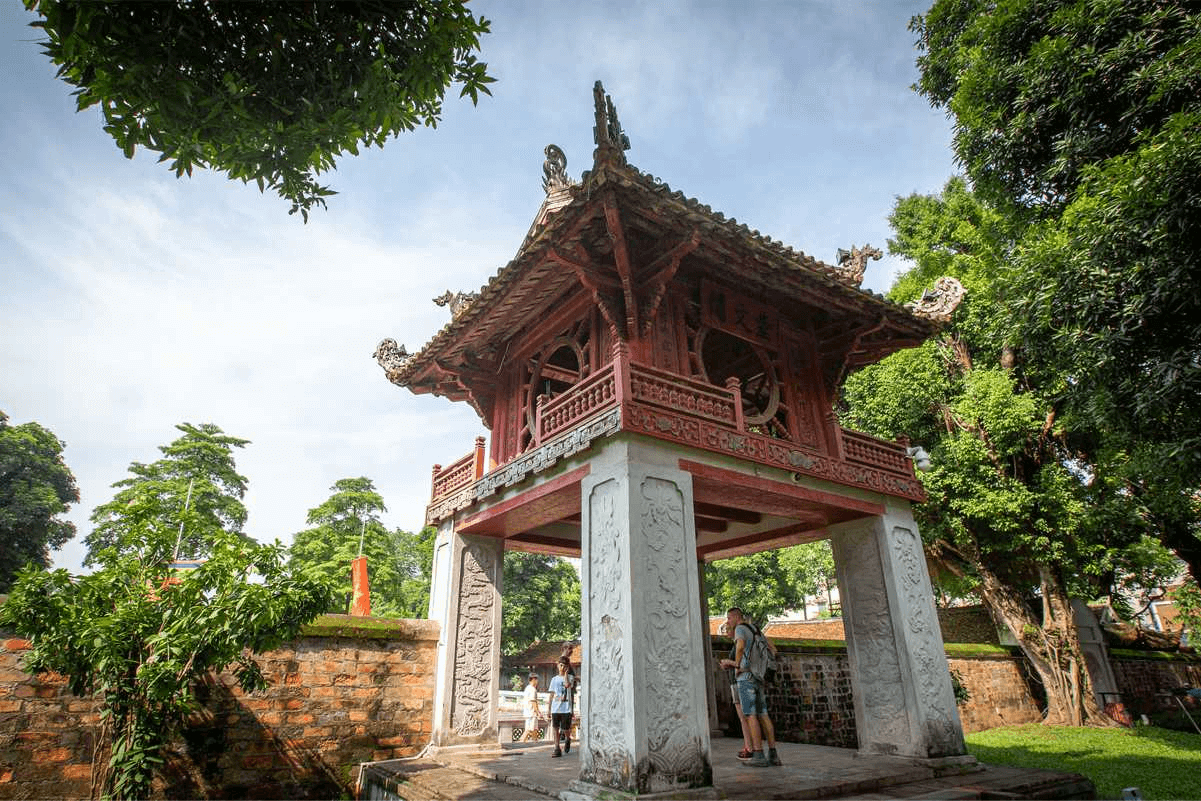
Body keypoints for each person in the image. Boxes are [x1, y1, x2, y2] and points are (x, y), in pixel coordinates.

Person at [718, 607, 780, 768]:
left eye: (729, 618)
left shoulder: (740, 628)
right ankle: (773, 754)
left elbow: (740, 647)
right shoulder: (756, 628)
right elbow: (773, 649)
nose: (728, 622)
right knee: (763, 714)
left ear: (736, 617)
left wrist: (736, 665)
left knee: (750, 715)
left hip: (746, 677)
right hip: (759, 677)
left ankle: (758, 754)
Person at [549, 658, 574, 757]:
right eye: (561, 665)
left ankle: (568, 739)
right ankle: (557, 748)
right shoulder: (554, 679)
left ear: (567, 667)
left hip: (566, 707)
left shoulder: (570, 677)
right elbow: (551, 694)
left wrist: (566, 675)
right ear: (558, 665)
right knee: (555, 728)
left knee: (565, 728)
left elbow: (567, 685)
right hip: (556, 707)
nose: (562, 668)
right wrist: (548, 708)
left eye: (564, 666)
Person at [521, 672, 542, 742]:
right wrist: (537, 712)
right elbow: (533, 702)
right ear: (533, 679)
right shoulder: (533, 689)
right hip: (531, 713)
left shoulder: (527, 688)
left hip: (528, 712)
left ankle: (535, 741)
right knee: (529, 730)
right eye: (536, 679)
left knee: (534, 729)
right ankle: (521, 741)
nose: (537, 681)